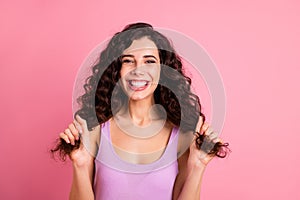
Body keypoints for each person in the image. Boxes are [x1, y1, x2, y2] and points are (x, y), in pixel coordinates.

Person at [51, 22, 230, 200]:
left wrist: (197, 167)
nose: (138, 70)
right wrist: (80, 165)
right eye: (128, 60)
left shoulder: (182, 134)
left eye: (149, 61)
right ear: (116, 70)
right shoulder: (95, 130)